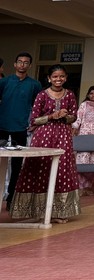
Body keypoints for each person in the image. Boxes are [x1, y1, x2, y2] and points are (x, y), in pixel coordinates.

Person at [10, 64, 80, 223]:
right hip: (43, 137)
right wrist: (51, 116)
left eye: (61, 76)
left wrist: (66, 115)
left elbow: (74, 117)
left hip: (63, 136)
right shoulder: (42, 95)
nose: (58, 79)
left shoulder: (69, 95)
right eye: (55, 76)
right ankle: (37, 210)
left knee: (62, 170)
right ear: (49, 78)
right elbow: (33, 119)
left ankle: (60, 211)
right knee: (40, 168)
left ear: (66, 78)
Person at [0, 52, 41, 210]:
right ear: (15, 64)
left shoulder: (34, 85)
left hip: (21, 129)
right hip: (2, 127)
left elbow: (37, 107)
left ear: (29, 66)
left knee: (17, 165)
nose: (22, 65)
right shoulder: (4, 82)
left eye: (26, 62)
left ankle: (11, 198)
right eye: (20, 62)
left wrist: (34, 123)